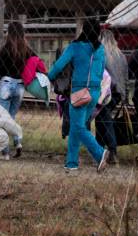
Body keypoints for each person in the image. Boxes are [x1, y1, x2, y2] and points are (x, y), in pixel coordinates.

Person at [47, 18, 110, 172]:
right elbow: (102, 69)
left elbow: (59, 65)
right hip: (95, 93)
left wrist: (49, 75)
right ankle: (71, 163)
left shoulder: (75, 47)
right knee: (77, 127)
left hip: (79, 92)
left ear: (83, 30)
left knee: (78, 126)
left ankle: (100, 153)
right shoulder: (100, 49)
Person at [0, 21, 45, 159]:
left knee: (1, 119)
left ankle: (5, 153)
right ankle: (18, 142)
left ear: (9, 33)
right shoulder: (27, 50)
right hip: (20, 87)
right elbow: (35, 61)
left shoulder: (5, 49)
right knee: (11, 117)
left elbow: (0, 70)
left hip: (6, 84)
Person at [93, 29, 127, 165]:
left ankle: (112, 150)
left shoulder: (101, 54)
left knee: (105, 120)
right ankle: (99, 150)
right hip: (119, 92)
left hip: (106, 91)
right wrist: (125, 96)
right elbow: (126, 77)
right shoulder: (121, 55)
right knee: (101, 119)